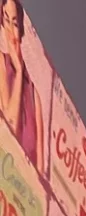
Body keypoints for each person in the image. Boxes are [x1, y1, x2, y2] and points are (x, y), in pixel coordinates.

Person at [0, 0, 43, 169]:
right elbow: (9, 128)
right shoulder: (1, 64)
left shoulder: (35, 97)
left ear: (22, 31)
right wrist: (17, 73)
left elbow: (40, 173)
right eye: (6, 20)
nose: (10, 30)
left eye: (15, 24)